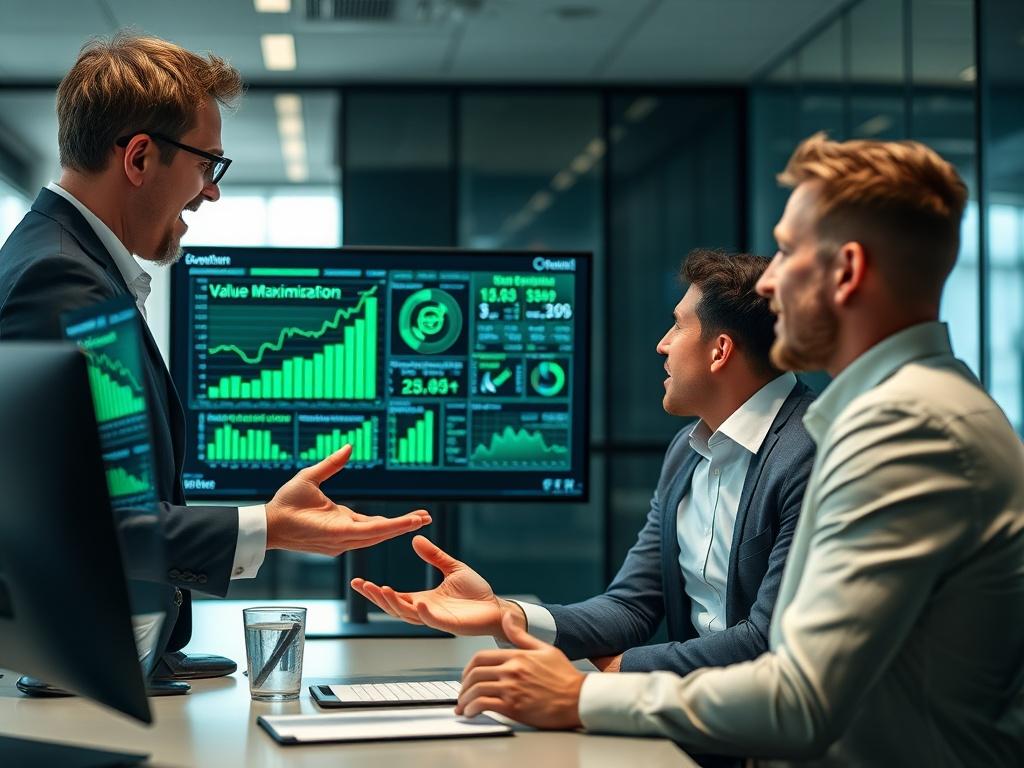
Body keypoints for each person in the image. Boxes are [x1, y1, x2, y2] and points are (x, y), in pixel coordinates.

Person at [454, 134, 1024, 767]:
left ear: (848, 271)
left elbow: (798, 697)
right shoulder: (898, 412)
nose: (771, 282)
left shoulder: (905, 428)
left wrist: (586, 695)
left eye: (785, 250)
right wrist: (514, 620)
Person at [0, 33, 430, 680]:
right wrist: (268, 526)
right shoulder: (62, 282)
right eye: (208, 165)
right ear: (140, 158)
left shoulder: (68, 264)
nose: (212, 193)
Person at [353, 249, 815, 680]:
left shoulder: (809, 452)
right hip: (691, 713)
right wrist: (505, 613)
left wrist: (619, 673)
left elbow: (766, 640)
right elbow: (632, 606)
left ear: (720, 351)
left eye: (677, 326)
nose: (662, 345)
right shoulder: (686, 452)